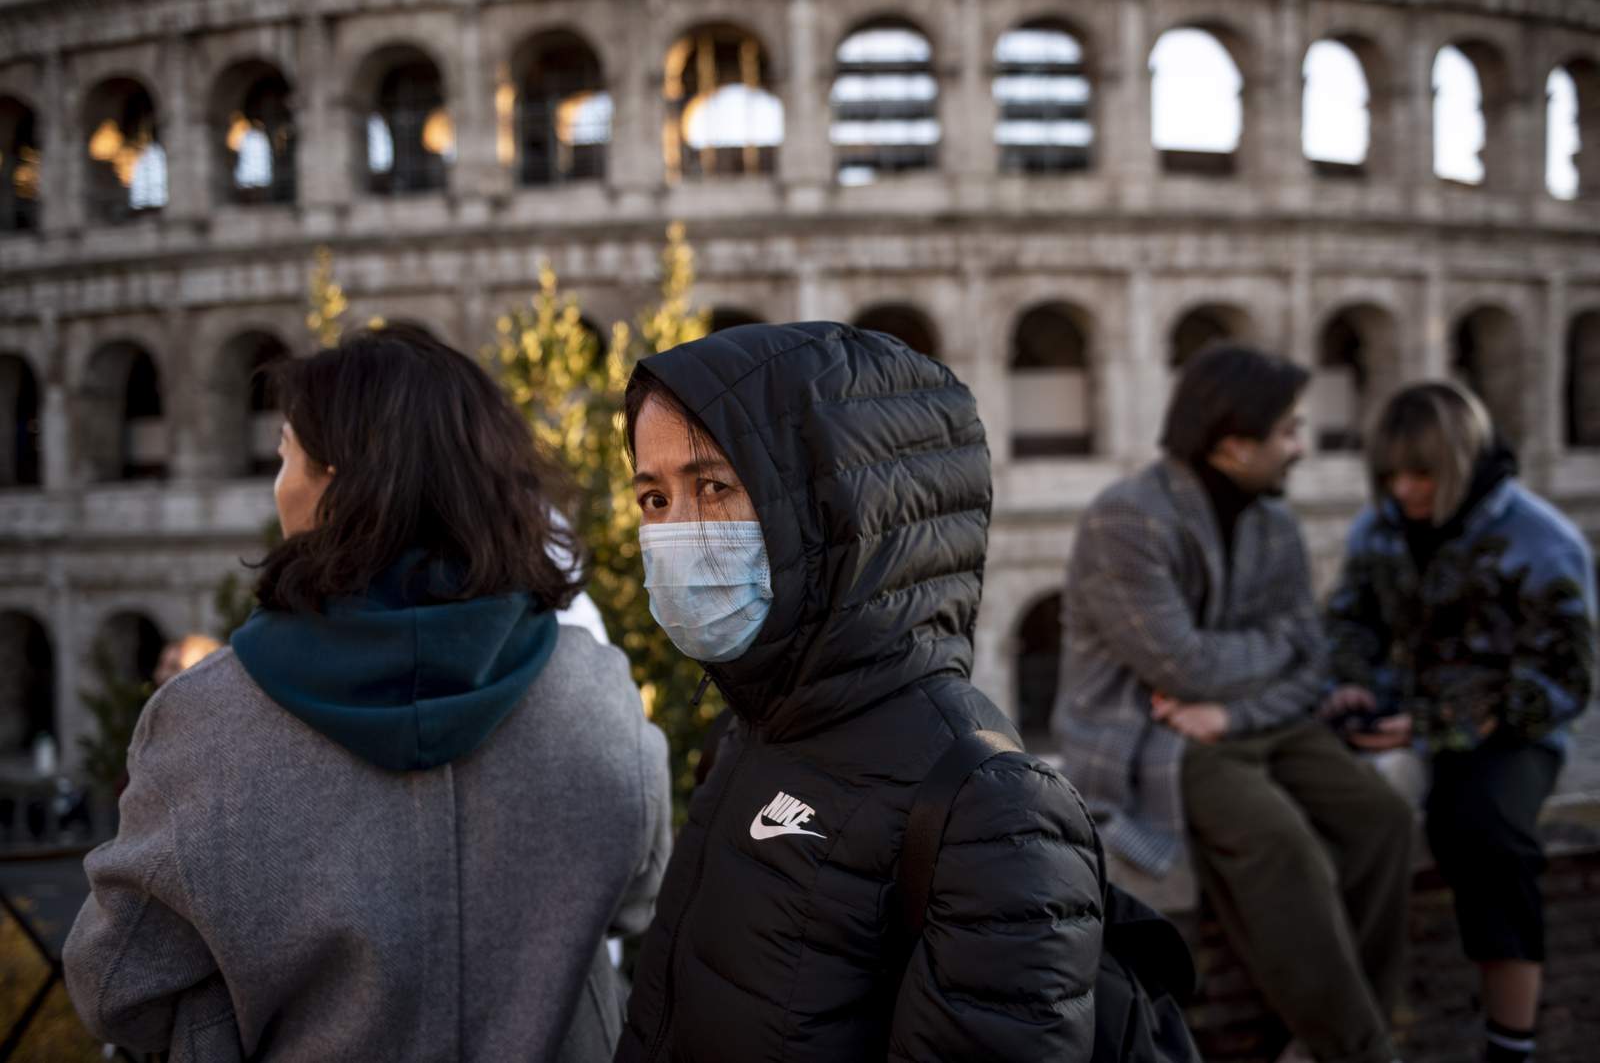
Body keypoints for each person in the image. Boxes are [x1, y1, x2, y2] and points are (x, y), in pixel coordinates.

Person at [64, 324, 671, 1062]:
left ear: (335, 481)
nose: (277, 482)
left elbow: (115, 984)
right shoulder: (595, 690)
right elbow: (635, 900)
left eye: (286, 453)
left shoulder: (201, 720)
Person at [613, 321, 1103, 1062]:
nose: (677, 532)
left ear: (834, 508)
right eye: (654, 499)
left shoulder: (992, 810)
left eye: (712, 487)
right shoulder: (752, 736)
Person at [1053, 344, 1414, 1063]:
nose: (1302, 448)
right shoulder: (1125, 519)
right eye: (1288, 432)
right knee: (1285, 847)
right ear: (1233, 442)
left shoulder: (1273, 522)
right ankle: (1363, 1050)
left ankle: (1335, 1033)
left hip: (1246, 723)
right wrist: (1274, 649)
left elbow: (1309, 657)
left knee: (1384, 820)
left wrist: (1233, 708)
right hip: (1154, 737)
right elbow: (1179, 664)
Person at [1324, 381, 1596, 1063]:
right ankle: (1330, 1029)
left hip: (1511, 732)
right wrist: (1352, 686)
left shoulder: (1542, 539)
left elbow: (1564, 679)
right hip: (1394, 716)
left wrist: (1429, 725)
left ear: (1462, 462)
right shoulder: (1379, 525)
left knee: (1486, 831)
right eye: (1390, 475)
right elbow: (1348, 619)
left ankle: (1510, 1045)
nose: (1405, 491)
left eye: (1422, 474)